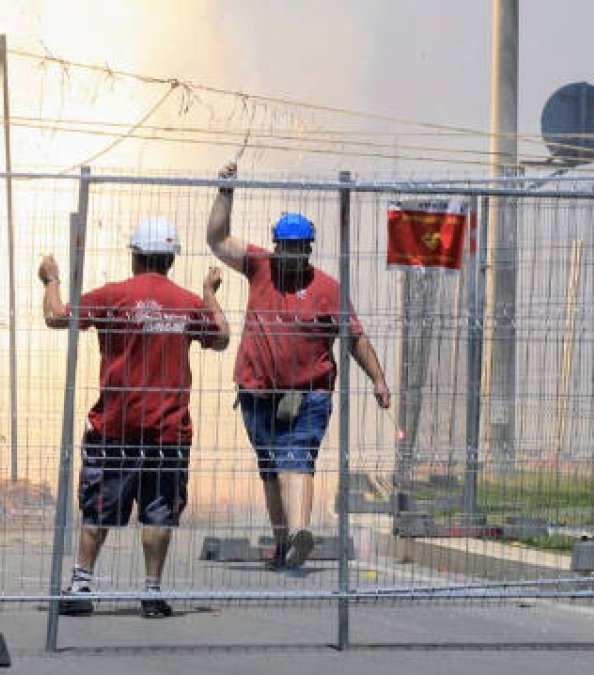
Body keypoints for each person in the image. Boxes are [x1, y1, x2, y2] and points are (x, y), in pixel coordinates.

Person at [39, 216, 229, 618]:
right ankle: (152, 592)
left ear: (136, 256)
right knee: (159, 511)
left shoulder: (113, 296)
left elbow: (56, 316)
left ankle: (81, 585)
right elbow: (222, 337)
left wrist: (51, 279)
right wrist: (209, 293)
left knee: (98, 507)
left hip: (115, 426)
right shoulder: (186, 303)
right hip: (168, 431)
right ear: (170, 260)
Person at [206, 162, 391, 570]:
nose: (289, 257)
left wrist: (378, 378)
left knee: (298, 457)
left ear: (308, 249)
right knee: (271, 467)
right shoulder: (259, 266)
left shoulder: (327, 289)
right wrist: (226, 190)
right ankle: (282, 542)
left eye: (297, 250)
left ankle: (300, 531)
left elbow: (354, 338)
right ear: (275, 246)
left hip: (309, 393)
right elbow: (217, 239)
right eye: (284, 249)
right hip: (257, 391)